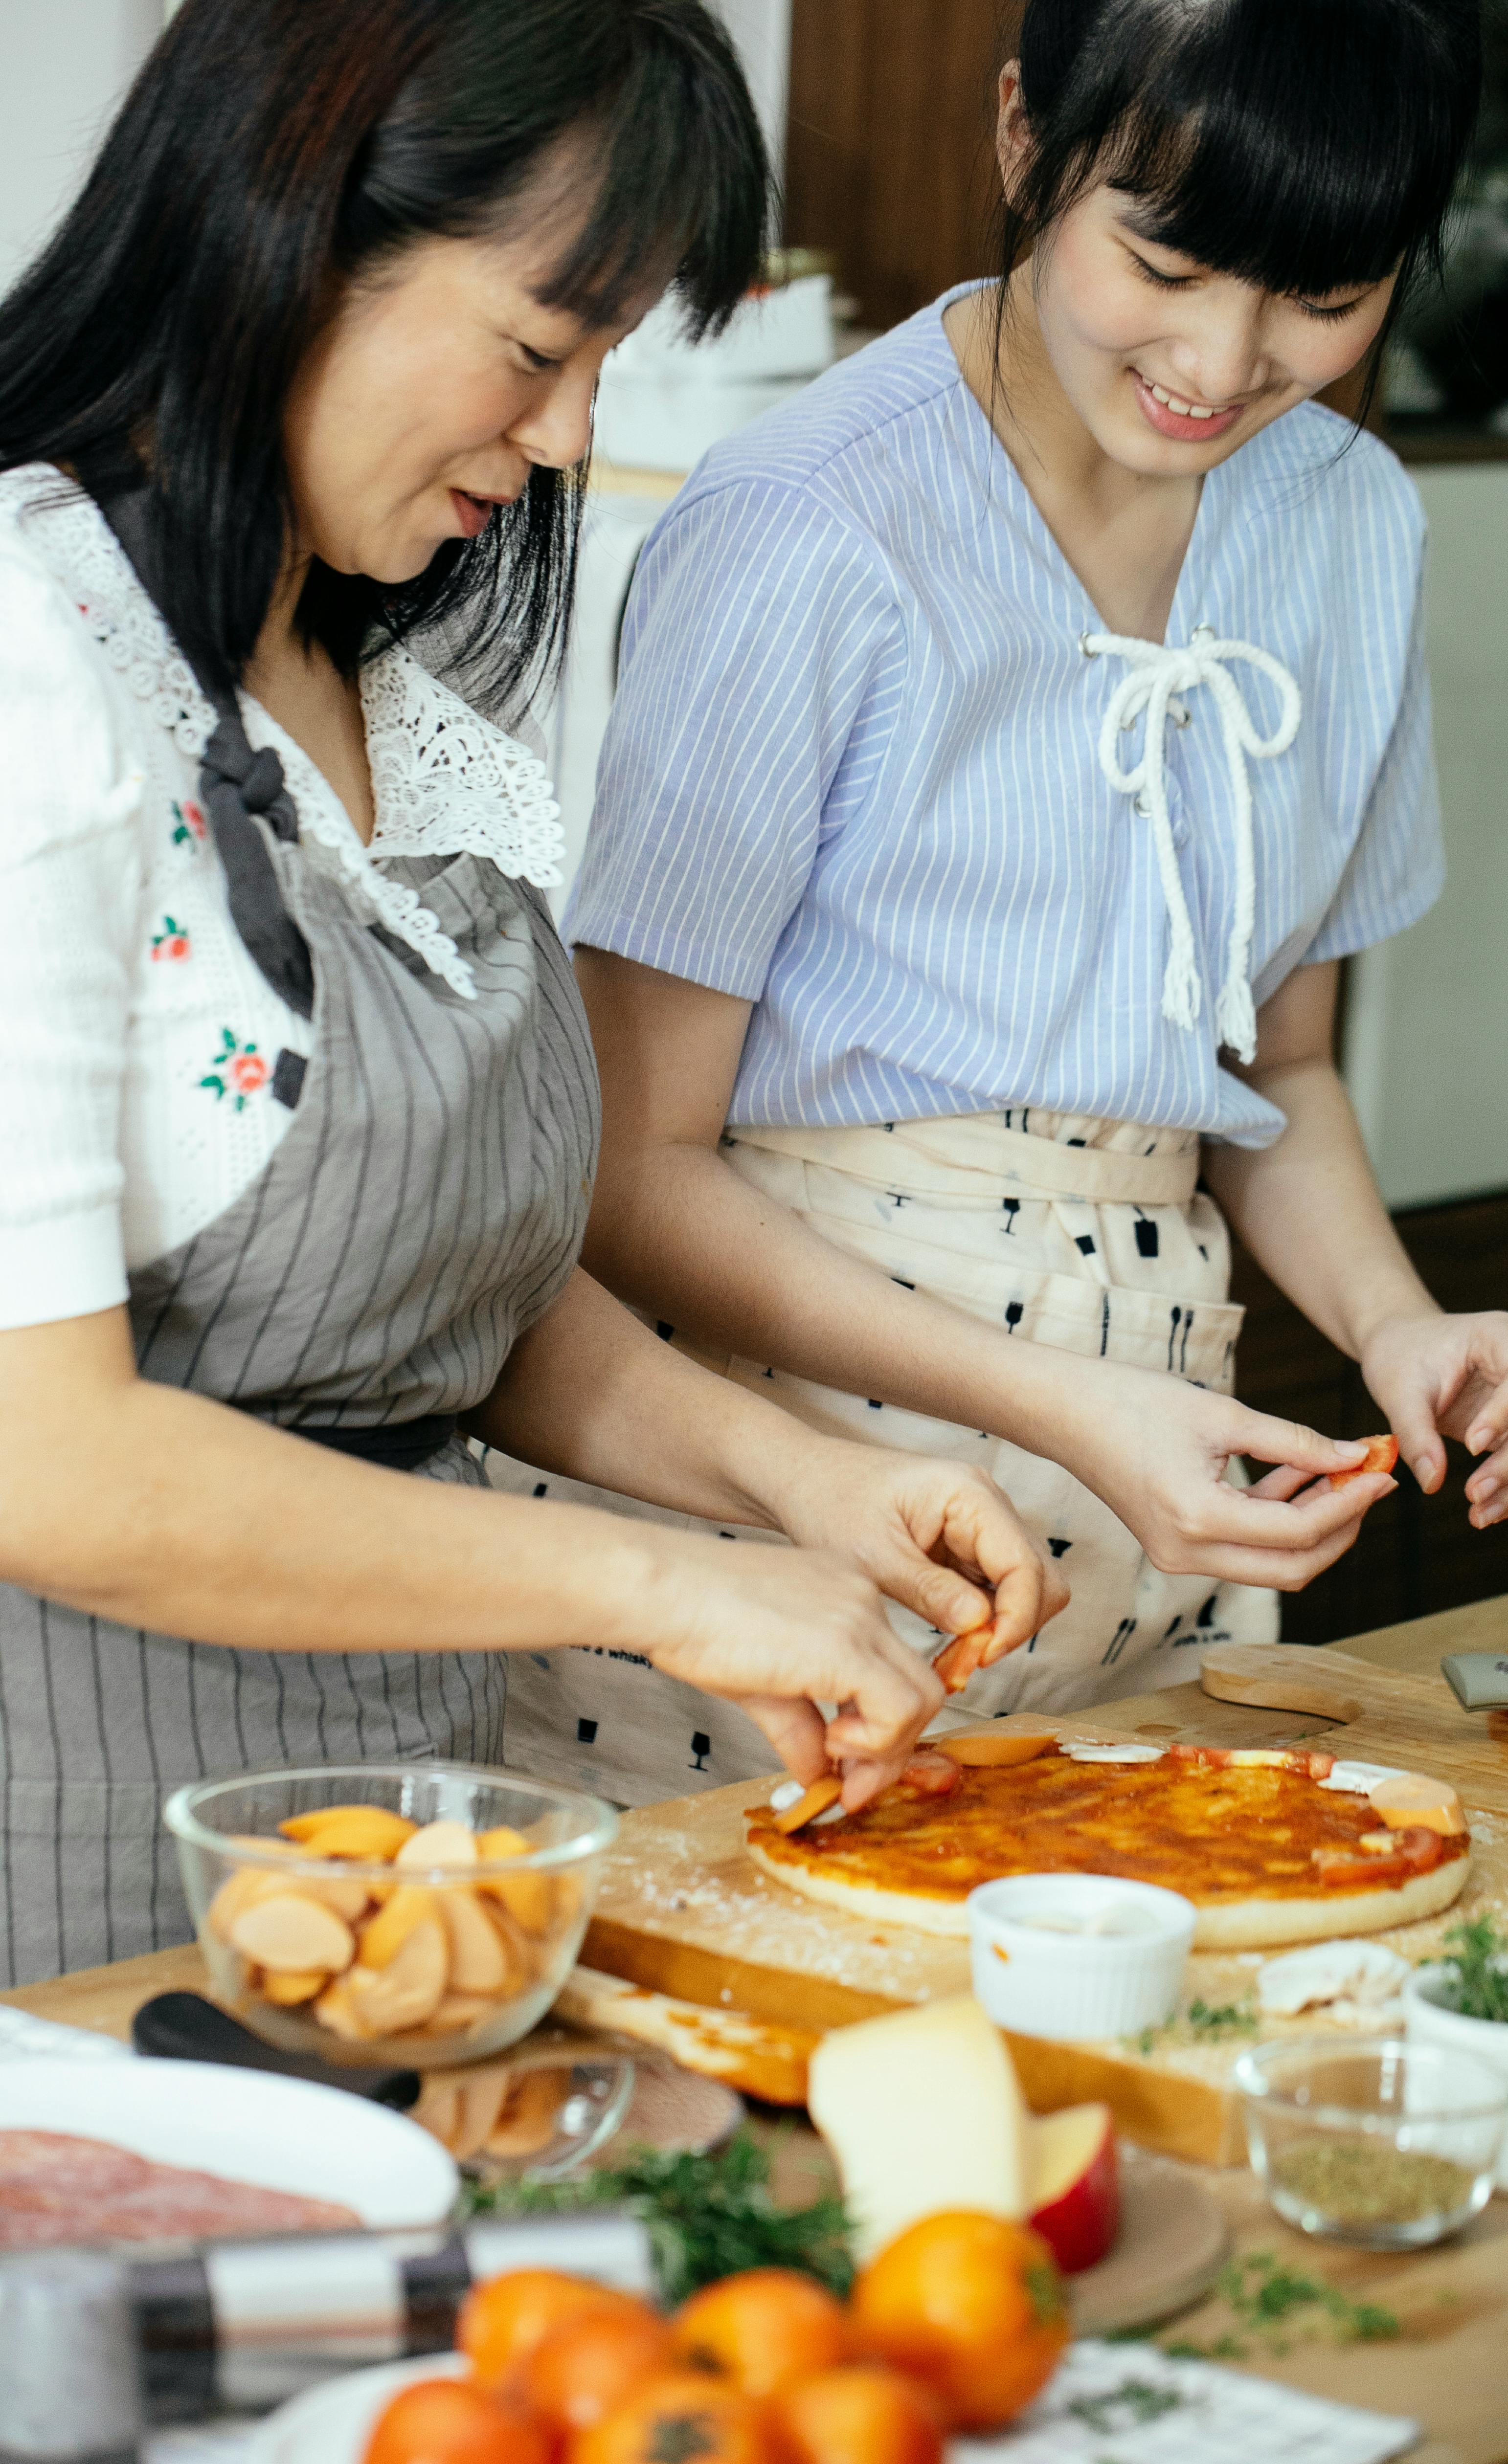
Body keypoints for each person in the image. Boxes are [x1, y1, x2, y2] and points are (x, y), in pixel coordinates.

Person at [0, 0, 1065, 1990]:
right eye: (537, 348)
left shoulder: (388, 695)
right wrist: (669, 1587)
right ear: (294, 231)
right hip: (63, 1892)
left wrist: (799, 1487)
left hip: (394, 1869)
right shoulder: (26, 668)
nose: (574, 434)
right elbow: (45, 1454)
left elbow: (430, 1287)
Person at [513, 0, 1508, 1794]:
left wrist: (1402, 1329)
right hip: (791, 1473)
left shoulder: (1353, 523)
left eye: (1323, 294)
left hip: (1150, 1477)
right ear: (1023, 135)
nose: (1224, 362)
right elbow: (628, 1169)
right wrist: (1058, 1404)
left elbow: (1281, 1078)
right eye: (1166, 257)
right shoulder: (809, 522)